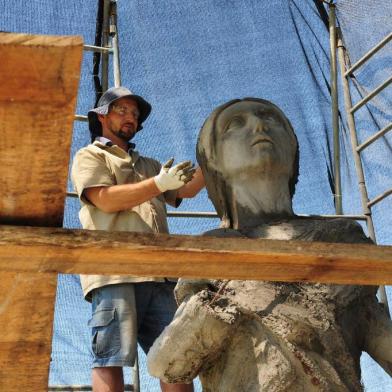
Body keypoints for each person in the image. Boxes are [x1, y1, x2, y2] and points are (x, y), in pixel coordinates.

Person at [147, 98, 392, 391]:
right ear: (213, 161)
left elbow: (375, 328)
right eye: (235, 125)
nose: (259, 125)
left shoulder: (341, 239)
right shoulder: (211, 253)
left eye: (271, 118)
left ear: (292, 147)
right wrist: (218, 303)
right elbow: (167, 364)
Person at [71, 86, 204, 392]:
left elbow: (187, 189)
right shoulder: (90, 155)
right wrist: (157, 184)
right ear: (101, 116)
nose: (130, 116)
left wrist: (212, 154)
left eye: (134, 113)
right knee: (110, 358)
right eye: (122, 110)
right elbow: (104, 199)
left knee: (176, 359)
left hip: (161, 276)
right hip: (115, 272)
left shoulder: (149, 165)